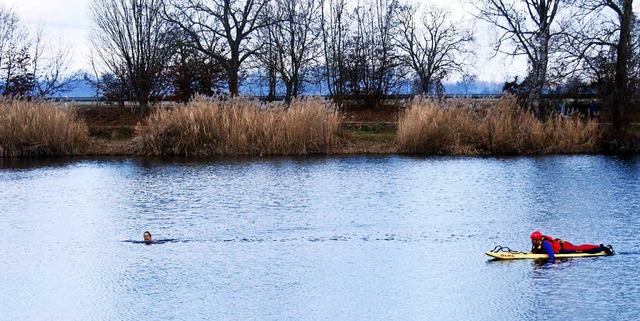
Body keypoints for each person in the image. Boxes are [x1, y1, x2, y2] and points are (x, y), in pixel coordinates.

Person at [530, 231, 613, 260]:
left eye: (533, 240)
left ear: (537, 240)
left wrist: (550, 263)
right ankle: (599, 247)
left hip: (564, 248)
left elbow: (551, 255)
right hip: (561, 246)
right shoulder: (538, 243)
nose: (532, 241)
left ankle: (602, 248)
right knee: (581, 247)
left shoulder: (545, 243)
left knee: (581, 249)